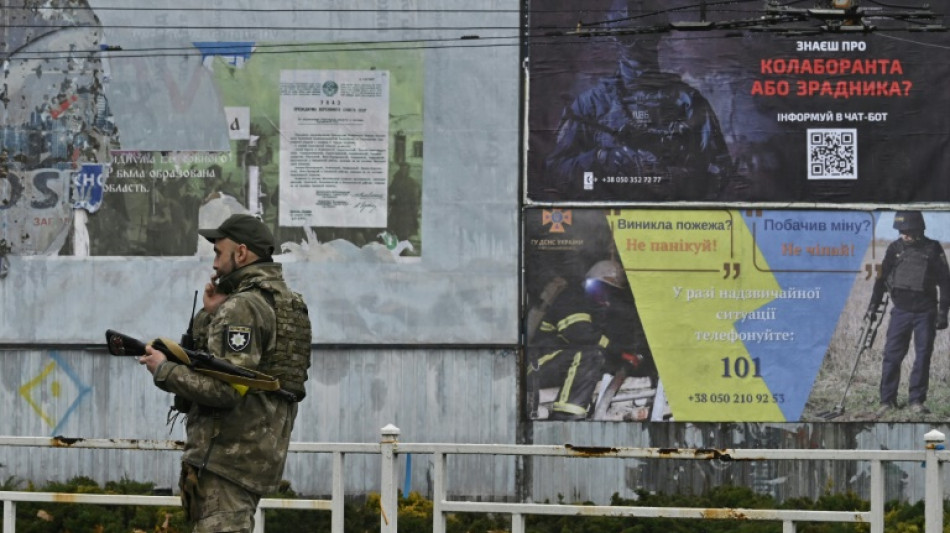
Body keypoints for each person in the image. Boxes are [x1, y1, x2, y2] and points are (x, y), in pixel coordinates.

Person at [138, 213, 312, 532]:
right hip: (254, 454)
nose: (215, 264)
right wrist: (211, 313)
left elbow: (227, 390)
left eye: (219, 253)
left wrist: (163, 370)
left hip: (226, 459)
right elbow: (230, 368)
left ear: (241, 253)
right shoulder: (279, 301)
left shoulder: (244, 307)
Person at [544, 0, 735, 201]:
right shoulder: (590, 104)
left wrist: (674, 178)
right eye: (627, 37)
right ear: (615, 39)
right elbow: (557, 171)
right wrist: (601, 159)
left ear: (658, 37)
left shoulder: (688, 102)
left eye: (645, 36)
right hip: (606, 217)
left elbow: (720, 170)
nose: (636, 46)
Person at [527, 259, 653, 420]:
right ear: (592, 283)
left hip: (559, 365)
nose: (606, 295)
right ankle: (567, 414)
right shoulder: (573, 297)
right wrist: (619, 352)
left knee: (596, 356)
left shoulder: (596, 309)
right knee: (590, 354)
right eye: (603, 288)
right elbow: (580, 334)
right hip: (538, 364)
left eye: (611, 292)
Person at [867, 211, 950, 416]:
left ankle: (916, 401)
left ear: (918, 229)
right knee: (891, 356)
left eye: (907, 231)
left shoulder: (933, 248)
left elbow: (945, 283)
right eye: (901, 231)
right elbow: (881, 279)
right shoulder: (894, 248)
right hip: (901, 312)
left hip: (926, 312)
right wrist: (872, 307)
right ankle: (887, 401)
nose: (904, 235)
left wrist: (943, 313)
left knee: (922, 357)